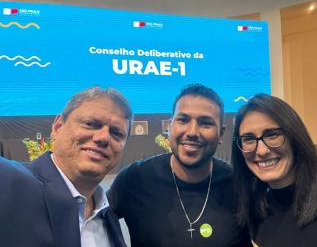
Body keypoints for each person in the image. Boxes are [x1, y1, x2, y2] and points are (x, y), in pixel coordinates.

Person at [107, 83, 252, 247]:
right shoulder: (134, 179)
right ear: (169, 127)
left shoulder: (240, 186)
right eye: (183, 120)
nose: (191, 132)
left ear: (221, 134)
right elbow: (89, 221)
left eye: (206, 123)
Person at [0, 86, 133, 247]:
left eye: (116, 133)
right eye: (90, 124)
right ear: (57, 127)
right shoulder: (7, 181)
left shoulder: (108, 217)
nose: (103, 137)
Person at [232, 93, 317, 247]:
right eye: (249, 139)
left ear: (294, 137)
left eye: (272, 135)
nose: (262, 150)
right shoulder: (254, 214)